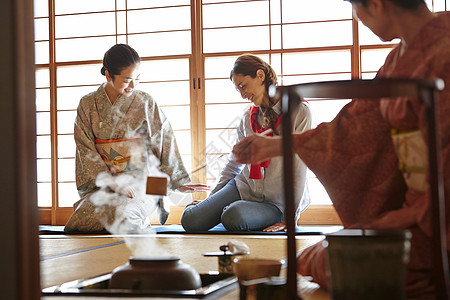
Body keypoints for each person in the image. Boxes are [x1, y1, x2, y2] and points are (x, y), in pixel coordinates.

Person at [232, 0, 450, 297]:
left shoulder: (443, 48)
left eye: (356, 10)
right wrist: (274, 146)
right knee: (314, 257)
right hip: (415, 210)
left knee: (359, 264)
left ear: (376, 4)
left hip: (437, 216)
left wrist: (409, 215)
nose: (359, 19)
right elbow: (353, 129)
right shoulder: (398, 58)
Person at [64, 44, 209, 233]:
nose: (133, 86)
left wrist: (178, 180)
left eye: (137, 79)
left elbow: (164, 142)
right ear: (108, 75)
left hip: (142, 184)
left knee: (124, 216)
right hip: (105, 185)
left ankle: (138, 224)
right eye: (127, 80)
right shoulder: (88, 105)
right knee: (79, 222)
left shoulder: (145, 102)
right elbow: (86, 150)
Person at [180, 54, 312, 232]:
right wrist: (212, 200)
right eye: (238, 90)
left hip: (277, 202)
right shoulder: (247, 117)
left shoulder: (299, 111)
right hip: (244, 188)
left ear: (260, 75)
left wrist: (291, 216)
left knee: (233, 217)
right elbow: (234, 162)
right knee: (191, 220)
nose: (243, 95)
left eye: (243, 86)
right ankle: (236, 210)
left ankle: (251, 213)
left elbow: (299, 167)